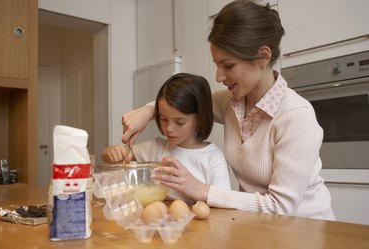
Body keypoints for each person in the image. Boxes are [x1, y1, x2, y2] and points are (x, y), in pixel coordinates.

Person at [120, 0, 335, 220]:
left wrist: (201, 189)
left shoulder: (295, 116)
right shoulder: (233, 102)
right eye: (217, 65)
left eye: (228, 66)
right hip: (257, 225)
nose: (219, 77)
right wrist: (149, 111)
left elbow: (280, 206)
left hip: (306, 229)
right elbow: (188, 105)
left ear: (263, 56)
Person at [101, 73, 231, 202]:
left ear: (199, 118)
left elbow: (224, 202)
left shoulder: (212, 158)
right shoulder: (156, 147)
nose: (169, 128)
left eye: (179, 122)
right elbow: (109, 156)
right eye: (163, 119)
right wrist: (112, 153)